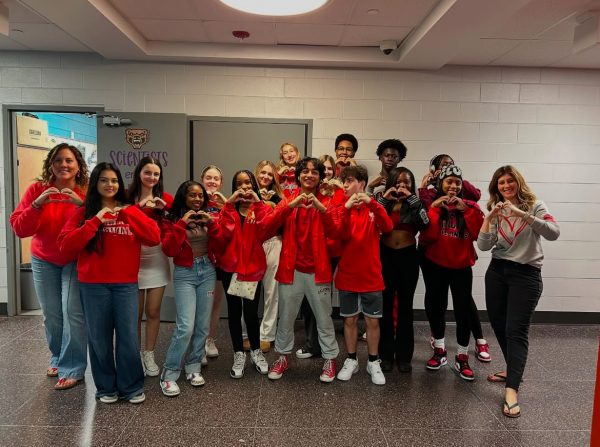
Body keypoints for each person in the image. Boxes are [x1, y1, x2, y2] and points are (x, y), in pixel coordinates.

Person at [58, 162, 160, 404]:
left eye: (114, 180)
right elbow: (65, 246)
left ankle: (131, 387)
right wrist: (95, 222)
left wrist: (127, 213)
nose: (110, 184)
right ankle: (105, 388)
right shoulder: (83, 212)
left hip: (125, 285)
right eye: (104, 180)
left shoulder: (130, 211)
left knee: (128, 337)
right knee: (99, 339)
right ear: (96, 183)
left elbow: (154, 237)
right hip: (93, 286)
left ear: (120, 184)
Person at [477, 165, 559, 418]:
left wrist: (521, 214)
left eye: (510, 181)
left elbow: (554, 233)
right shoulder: (497, 210)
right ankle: (514, 369)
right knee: (499, 325)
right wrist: (489, 218)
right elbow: (483, 246)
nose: (505, 186)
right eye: (501, 183)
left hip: (526, 275)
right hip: (498, 272)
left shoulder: (535, 204)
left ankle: (512, 388)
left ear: (518, 182)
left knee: (516, 330)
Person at [9, 143, 89, 390]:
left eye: (69, 161)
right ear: (51, 165)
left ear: (78, 166)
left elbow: (99, 223)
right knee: (52, 315)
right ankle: (57, 356)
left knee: (71, 313)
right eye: (58, 160)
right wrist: (36, 205)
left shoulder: (86, 191)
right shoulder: (37, 189)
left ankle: (73, 367)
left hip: (75, 259)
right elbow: (20, 228)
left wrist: (81, 205)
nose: (63, 165)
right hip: (44, 260)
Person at [264, 157, 340, 382]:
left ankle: (330, 359)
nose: (309, 175)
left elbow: (336, 233)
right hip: (291, 269)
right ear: (298, 175)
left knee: (324, 319)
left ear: (321, 176)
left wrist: (321, 208)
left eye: (314, 172)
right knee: (286, 318)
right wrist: (289, 207)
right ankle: (282, 357)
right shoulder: (287, 199)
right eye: (304, 171)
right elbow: (267, 228)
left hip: (318, 271)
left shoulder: (328, 201)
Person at [418, 153, 491, 362]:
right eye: (449, 182)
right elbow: (428, 237)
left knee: (462, 310)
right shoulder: (433, 203)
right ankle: (439, 350)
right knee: (436, 305)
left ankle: (462, 355)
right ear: (440, 183)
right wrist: (433, 210)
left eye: (457, 183)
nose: (453, 186)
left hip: (461, 267)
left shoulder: (471, 206)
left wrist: (466, 210)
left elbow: (479, 236)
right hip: (437, 264)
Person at [159, 181, 220, 396]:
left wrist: (211, 224)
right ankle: (169, 373)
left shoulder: (206, 217)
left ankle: (193, 367)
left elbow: (222, 243)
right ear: (183, 197)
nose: (197, 199)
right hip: (185, 273)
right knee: (185, 326)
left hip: (207, 270)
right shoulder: (171, 219)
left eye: (200, 196)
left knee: (202, 325)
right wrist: (181, 224)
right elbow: (169, 249)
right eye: (192, 195)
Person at [333, 165, 393, 385]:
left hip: (371, 276)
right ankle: (351, 359)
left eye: (349, 181)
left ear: (361, 182)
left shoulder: (373, 206)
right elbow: (337, 234)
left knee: (372, 322)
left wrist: (372, 203)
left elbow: (387, 226)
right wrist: (346, 208)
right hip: (348, 274)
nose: (345, 186)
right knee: (349, 320)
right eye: (343, 182)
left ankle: (373, 362)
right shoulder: (342, 206)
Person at [218, 170, 271, 378]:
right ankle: (238, 353)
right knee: (233, 312)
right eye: (239, 184)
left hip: (252, 268)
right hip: (229, 268)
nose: (244, 187)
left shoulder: (260, 208)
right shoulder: (229, 209)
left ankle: (256, 351)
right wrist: (228, 205)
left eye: (248, 183)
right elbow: (221, 234)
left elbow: (266, 230)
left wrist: (258, 203)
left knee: (250, 313)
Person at [376, 167, 429, 373]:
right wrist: (385, 199)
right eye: (398, 182)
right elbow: (372, 219)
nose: (402, 186)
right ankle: (385, 355)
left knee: (406, 306)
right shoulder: (384, 201)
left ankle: (404, 356)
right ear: (391, 182)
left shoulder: (415, 203)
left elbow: (425, 224)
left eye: (407, 182)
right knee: (386, 305)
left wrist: (413, 200)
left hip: (408, 256)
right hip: (385, 255)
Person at [127, 156, 173, 377]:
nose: (152, 177)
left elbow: (179, 220)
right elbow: (119, 215)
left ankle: (150, 353)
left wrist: (166, 211)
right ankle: (134, 354)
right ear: (139, 173)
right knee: (134, 313)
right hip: (132, 258)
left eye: (156, 174)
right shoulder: (127, 196)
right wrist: (139, 207)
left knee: (153, 311)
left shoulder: (164, 197)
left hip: (156, 258)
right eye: (148, 172)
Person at [254, 160, 284, 353]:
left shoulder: (280, 198)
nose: (265, 177)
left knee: (271, 291)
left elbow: (283, 222)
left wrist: (272, 204)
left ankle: (267, 335)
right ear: (257, 173)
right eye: (262, 173)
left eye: (269, 174)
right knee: (248, 291)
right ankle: (246, 333)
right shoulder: (247, 193)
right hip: (252, 245)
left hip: (273, 243)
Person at [201, 165, 227, 359]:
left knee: (215, 301)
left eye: (215, 179)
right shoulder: (195, 200)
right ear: (202, 180)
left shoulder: (225, 204)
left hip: (219, 259)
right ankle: (198, 343)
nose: (212, 181)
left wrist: (223, 207)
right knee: (201, 304)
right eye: (208, 178)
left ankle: (210, 339)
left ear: (221, 183)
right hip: (199, 258)